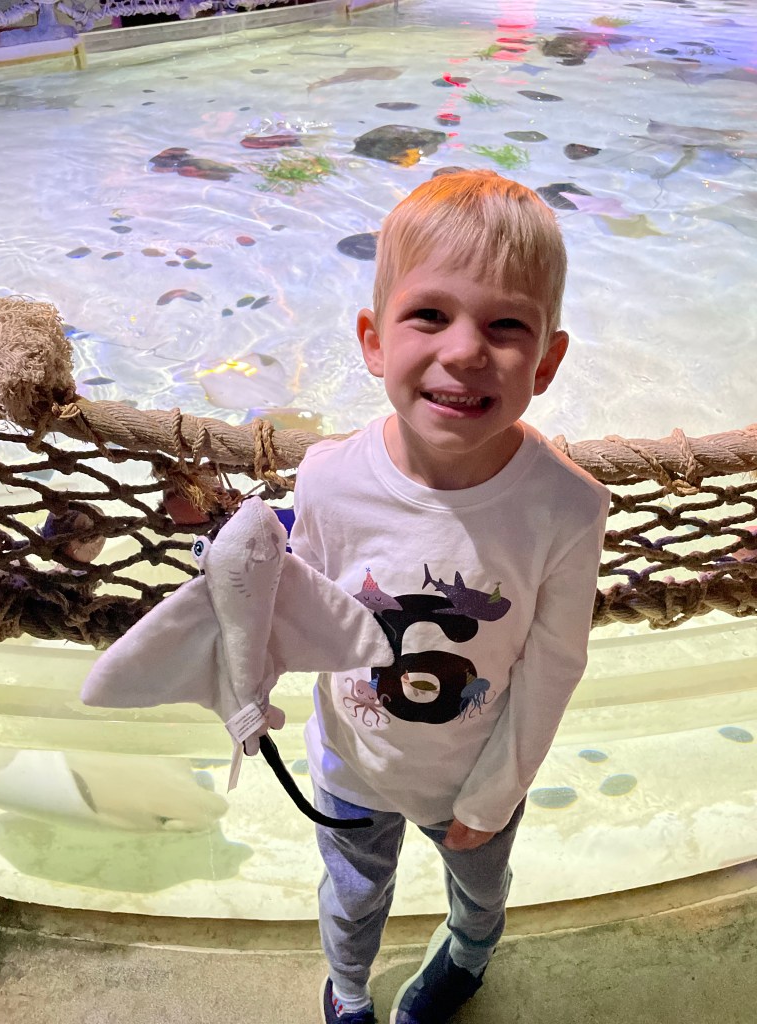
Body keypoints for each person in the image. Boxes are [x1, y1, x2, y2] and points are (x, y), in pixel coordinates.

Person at [288, 170, 610, 1024]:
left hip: (476, 779)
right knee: (352, 894)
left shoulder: (567, 508)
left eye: (506, 325)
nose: (466, 351)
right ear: (373, 340)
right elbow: (304, 614)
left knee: (481, 890)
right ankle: (347, 990)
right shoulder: (327, 480)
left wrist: (491, 796)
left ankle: (466, 959)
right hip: (349, 763)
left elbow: (553, 667)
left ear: (547, 362)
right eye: (429, 314)